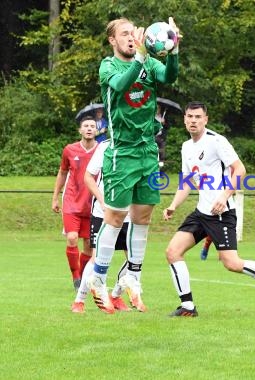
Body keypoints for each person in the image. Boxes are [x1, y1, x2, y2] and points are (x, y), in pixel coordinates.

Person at [163, 101, 255, 317]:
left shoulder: (217, 141)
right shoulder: (186, 147)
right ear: (184, 120)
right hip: (201, 212)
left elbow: (240, 169)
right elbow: (188, 181)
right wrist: (173, 205)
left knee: (232, 263)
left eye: (198, 117)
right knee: (173, 252)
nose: (193, 120)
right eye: (189, 116)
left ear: (205, 119)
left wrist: (225, 195)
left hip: (221, 213)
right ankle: (188, 306)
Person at [87, 16, 180, 313]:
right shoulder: (109, 66)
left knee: (143, 217)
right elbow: (121, 83)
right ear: (112, 41)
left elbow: (169, 78)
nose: (131, 37)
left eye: (133, 33)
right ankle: (98, 278)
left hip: (148, 152)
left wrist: (174, 49)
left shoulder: (150, 64)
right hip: (122, 154)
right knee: (115, 217)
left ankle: (133, 276)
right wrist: (140, 56)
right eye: (124, 34)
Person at [71, 139, 136, 314]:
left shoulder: (143, 145)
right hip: (103, 212)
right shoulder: (106, 146)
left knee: (133, 259)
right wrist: (101, 200)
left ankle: (115, 296)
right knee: (96, 257)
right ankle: (79, 301)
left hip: (129, 213)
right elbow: (88, 176)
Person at [52, 115, 98, 290]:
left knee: (87, 246)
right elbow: (62, 173)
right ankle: (76, 277)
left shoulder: (101, 150)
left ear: (96, 130)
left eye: (92, 126)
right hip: (71, 201)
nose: (89, 128)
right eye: (85, 126)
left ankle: (84, 276)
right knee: (72, 238)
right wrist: (55, 197)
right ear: (80, 130)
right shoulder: (70, 150)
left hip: (92, 204)